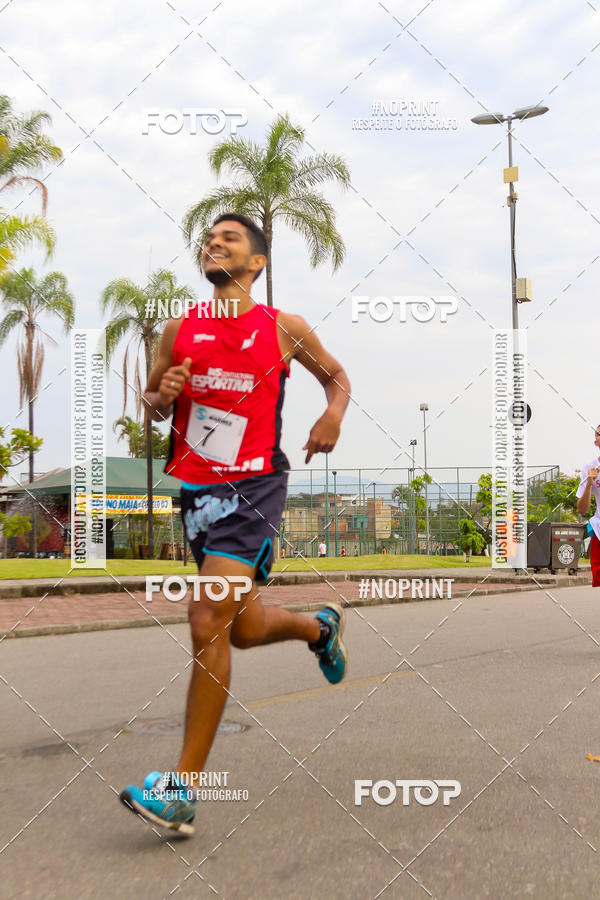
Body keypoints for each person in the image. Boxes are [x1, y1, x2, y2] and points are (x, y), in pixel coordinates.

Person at [119, 213, 350, 835]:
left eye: (232, 239)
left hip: (254, 484)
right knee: (238, 628)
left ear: (257, 263)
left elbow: (337, 377)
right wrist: (160, 396)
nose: (216, 243)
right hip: (197, 489)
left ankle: (182, 789)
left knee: (203, 617)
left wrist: (332, 414)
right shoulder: (179, 329)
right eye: (210, 237)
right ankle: (318, 627)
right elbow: (151, 403)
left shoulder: (283, 329)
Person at [576, 426, 600, 587]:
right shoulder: (589, 469)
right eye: (599, 433)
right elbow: (582, 510)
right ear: (595, 441)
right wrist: (589, 485)